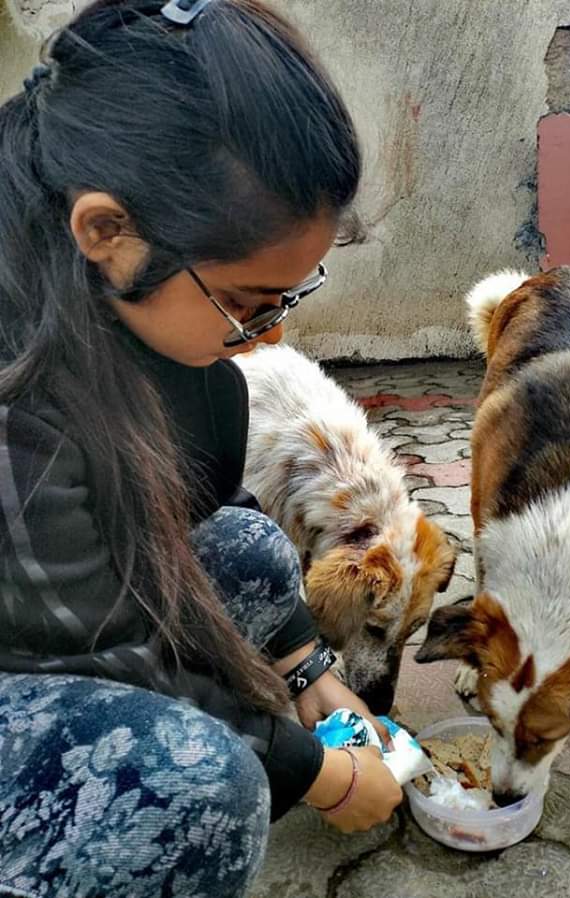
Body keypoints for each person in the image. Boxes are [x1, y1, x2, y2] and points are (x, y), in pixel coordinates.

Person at [0, 0, 403, 894]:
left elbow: (200, 519)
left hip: (59, 615)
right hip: (40, 651)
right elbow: (110, 656)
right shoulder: (16, 402)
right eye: (246, 303)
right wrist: (321, 772)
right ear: (106, 233)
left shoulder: (118, 310)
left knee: (249, 543)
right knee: (196, 783)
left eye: (284, 303)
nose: (262, 337)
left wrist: (310, 674)